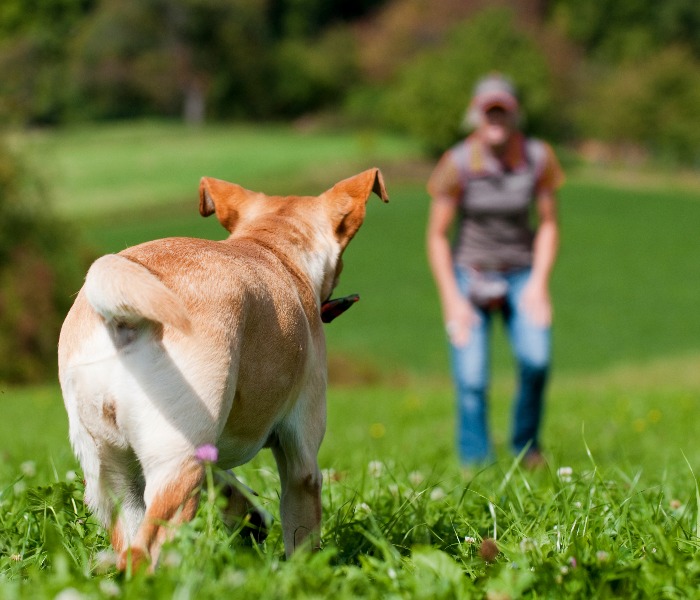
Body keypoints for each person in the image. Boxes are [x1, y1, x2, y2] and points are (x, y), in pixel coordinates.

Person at [426, 74, 565, 469]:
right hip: (470, 275)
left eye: (503, 111)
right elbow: (437, 236)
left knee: (537, 360)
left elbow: (550, 224)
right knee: (471, 379)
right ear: (476, 114)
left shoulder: (538, 158)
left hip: (522, 272)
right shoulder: (456, 163)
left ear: (515, 113)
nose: (496, 119)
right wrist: (452, 299)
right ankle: (477, 464)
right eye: (489, 111)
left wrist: (539, 284)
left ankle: (526, 447)